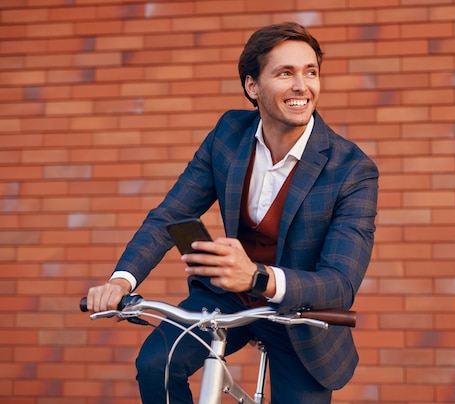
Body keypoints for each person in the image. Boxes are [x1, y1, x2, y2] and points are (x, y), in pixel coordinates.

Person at [86, 21, 378, 404]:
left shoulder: (351, 169)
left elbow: (340, 284)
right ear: (252, 86)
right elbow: (170, 216)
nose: (301, 86)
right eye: (285, 73)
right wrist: (121, 282)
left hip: (303, 318)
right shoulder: (228, 134)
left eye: (311, 72)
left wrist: (257, 277)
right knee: (157, 362)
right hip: (229, 299)